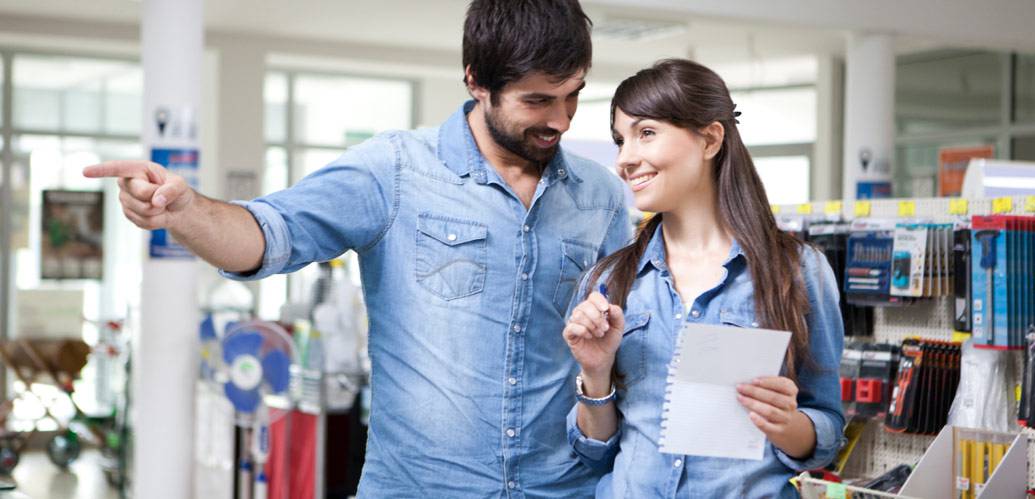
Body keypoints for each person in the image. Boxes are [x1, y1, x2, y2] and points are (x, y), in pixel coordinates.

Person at [85, 1, 631, 496]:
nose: (560, 119)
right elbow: (268, 235)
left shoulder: (600, 195)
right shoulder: (394, 170)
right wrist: (184, 212)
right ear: (476, 82)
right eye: (537, 100)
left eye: (573, 94)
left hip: (565, 488)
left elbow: (621, 347)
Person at [562, 59, 845, 498]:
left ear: (711, 138)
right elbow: (594, 453)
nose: (625, 159)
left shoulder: (797, 271)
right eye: (621, 140)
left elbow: (825, 426)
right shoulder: (609, 281)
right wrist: (595, 376)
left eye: (646, 133)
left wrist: (787, 424)